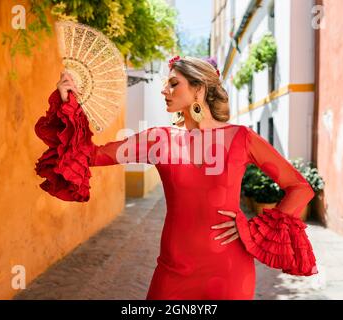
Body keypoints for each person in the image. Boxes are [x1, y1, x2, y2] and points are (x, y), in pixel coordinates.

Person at [34, 56, 318, 300]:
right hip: (173, 269)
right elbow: (89, 156)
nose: (164, 90)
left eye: (173, 84)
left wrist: (256, 229)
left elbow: (299, 188)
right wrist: (67, 102)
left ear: (198, 89)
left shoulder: (241, 138)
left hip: (229, 269)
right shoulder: (159, 140)